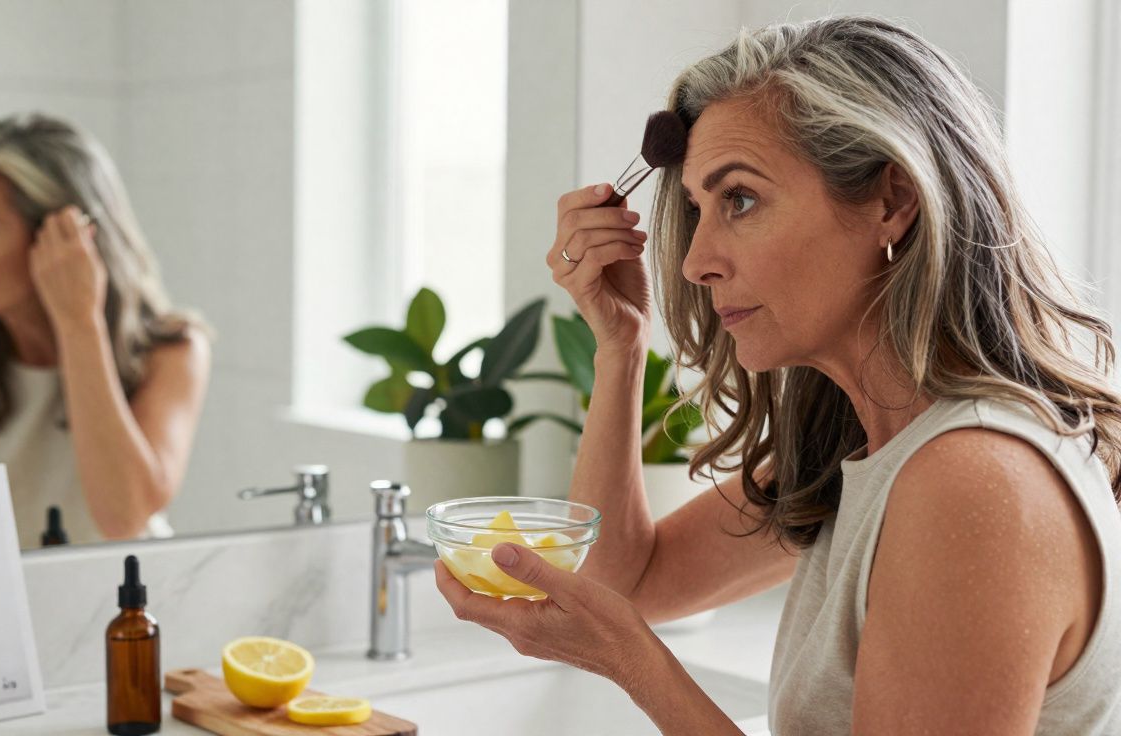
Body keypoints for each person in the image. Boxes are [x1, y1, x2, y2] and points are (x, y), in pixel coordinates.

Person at [435, 16, 1121, 734]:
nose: (695, 262)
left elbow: (622, 612)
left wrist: (638, 665)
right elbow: (625, 581)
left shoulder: (972, 482)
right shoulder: (866, 450)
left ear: (891, 202)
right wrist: (621, 347)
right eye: (697, 208)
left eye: (740, 199)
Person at [0, 113, 211, 549]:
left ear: (62, 238)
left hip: (125, 593)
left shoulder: (172, 351)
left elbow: (123, 518)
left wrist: (78, 323)